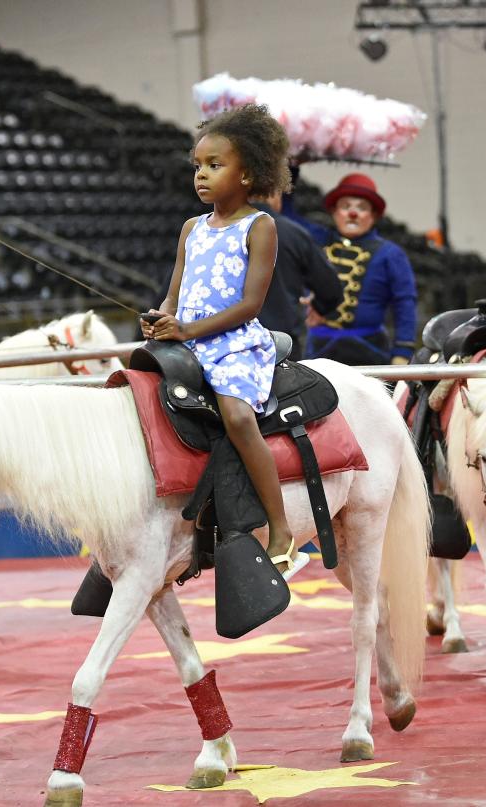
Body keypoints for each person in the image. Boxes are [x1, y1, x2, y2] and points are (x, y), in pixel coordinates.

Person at [143, 103, 308, 578]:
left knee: (236, 416)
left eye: (215, 166)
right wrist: (161, 318)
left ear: (248, 173)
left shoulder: (260, 226)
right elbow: (173, 294)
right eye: (197, 166)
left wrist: (188, 329)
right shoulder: (191, 229)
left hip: (233, 343)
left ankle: (279, 527)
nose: (202, 175)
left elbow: (250, 305)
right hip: (186, 341)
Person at [283, 172, 417, 366]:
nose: (352, 213)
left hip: (370, 350)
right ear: (334, 212)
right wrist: (291, 170)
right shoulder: (316, 240)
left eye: (362, 208)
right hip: (318, 349)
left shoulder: (390, 254)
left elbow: (405, 303)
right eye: (346, 207)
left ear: (373, 216)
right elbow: (286, 215)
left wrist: (402, 351)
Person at [250, 188, 343, 360]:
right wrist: (317, 307)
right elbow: (331, 291)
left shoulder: (209, 229)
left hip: (219, 348)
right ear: (274, 192)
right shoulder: (291, 233)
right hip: (279, 349)